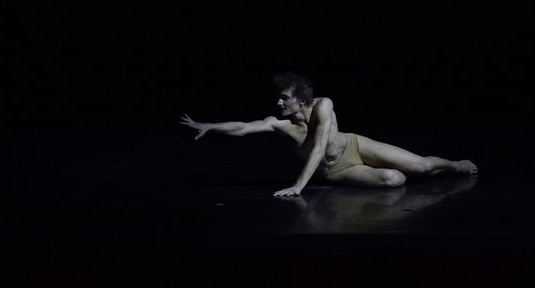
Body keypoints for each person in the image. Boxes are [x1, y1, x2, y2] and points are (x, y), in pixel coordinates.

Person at [180, 72, 477, 198]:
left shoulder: (323, 105)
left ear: (301, 100)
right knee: (394, 179)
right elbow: (244, 127)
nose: (279, 103)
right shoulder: (278, 124)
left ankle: (454, 165)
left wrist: (298, 186)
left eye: (284, 98)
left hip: (356, 145)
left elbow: (320, 145)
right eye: (279, 98)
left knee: (423, 166)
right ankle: (398, 171)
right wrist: (210, 126)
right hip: (337, 169)